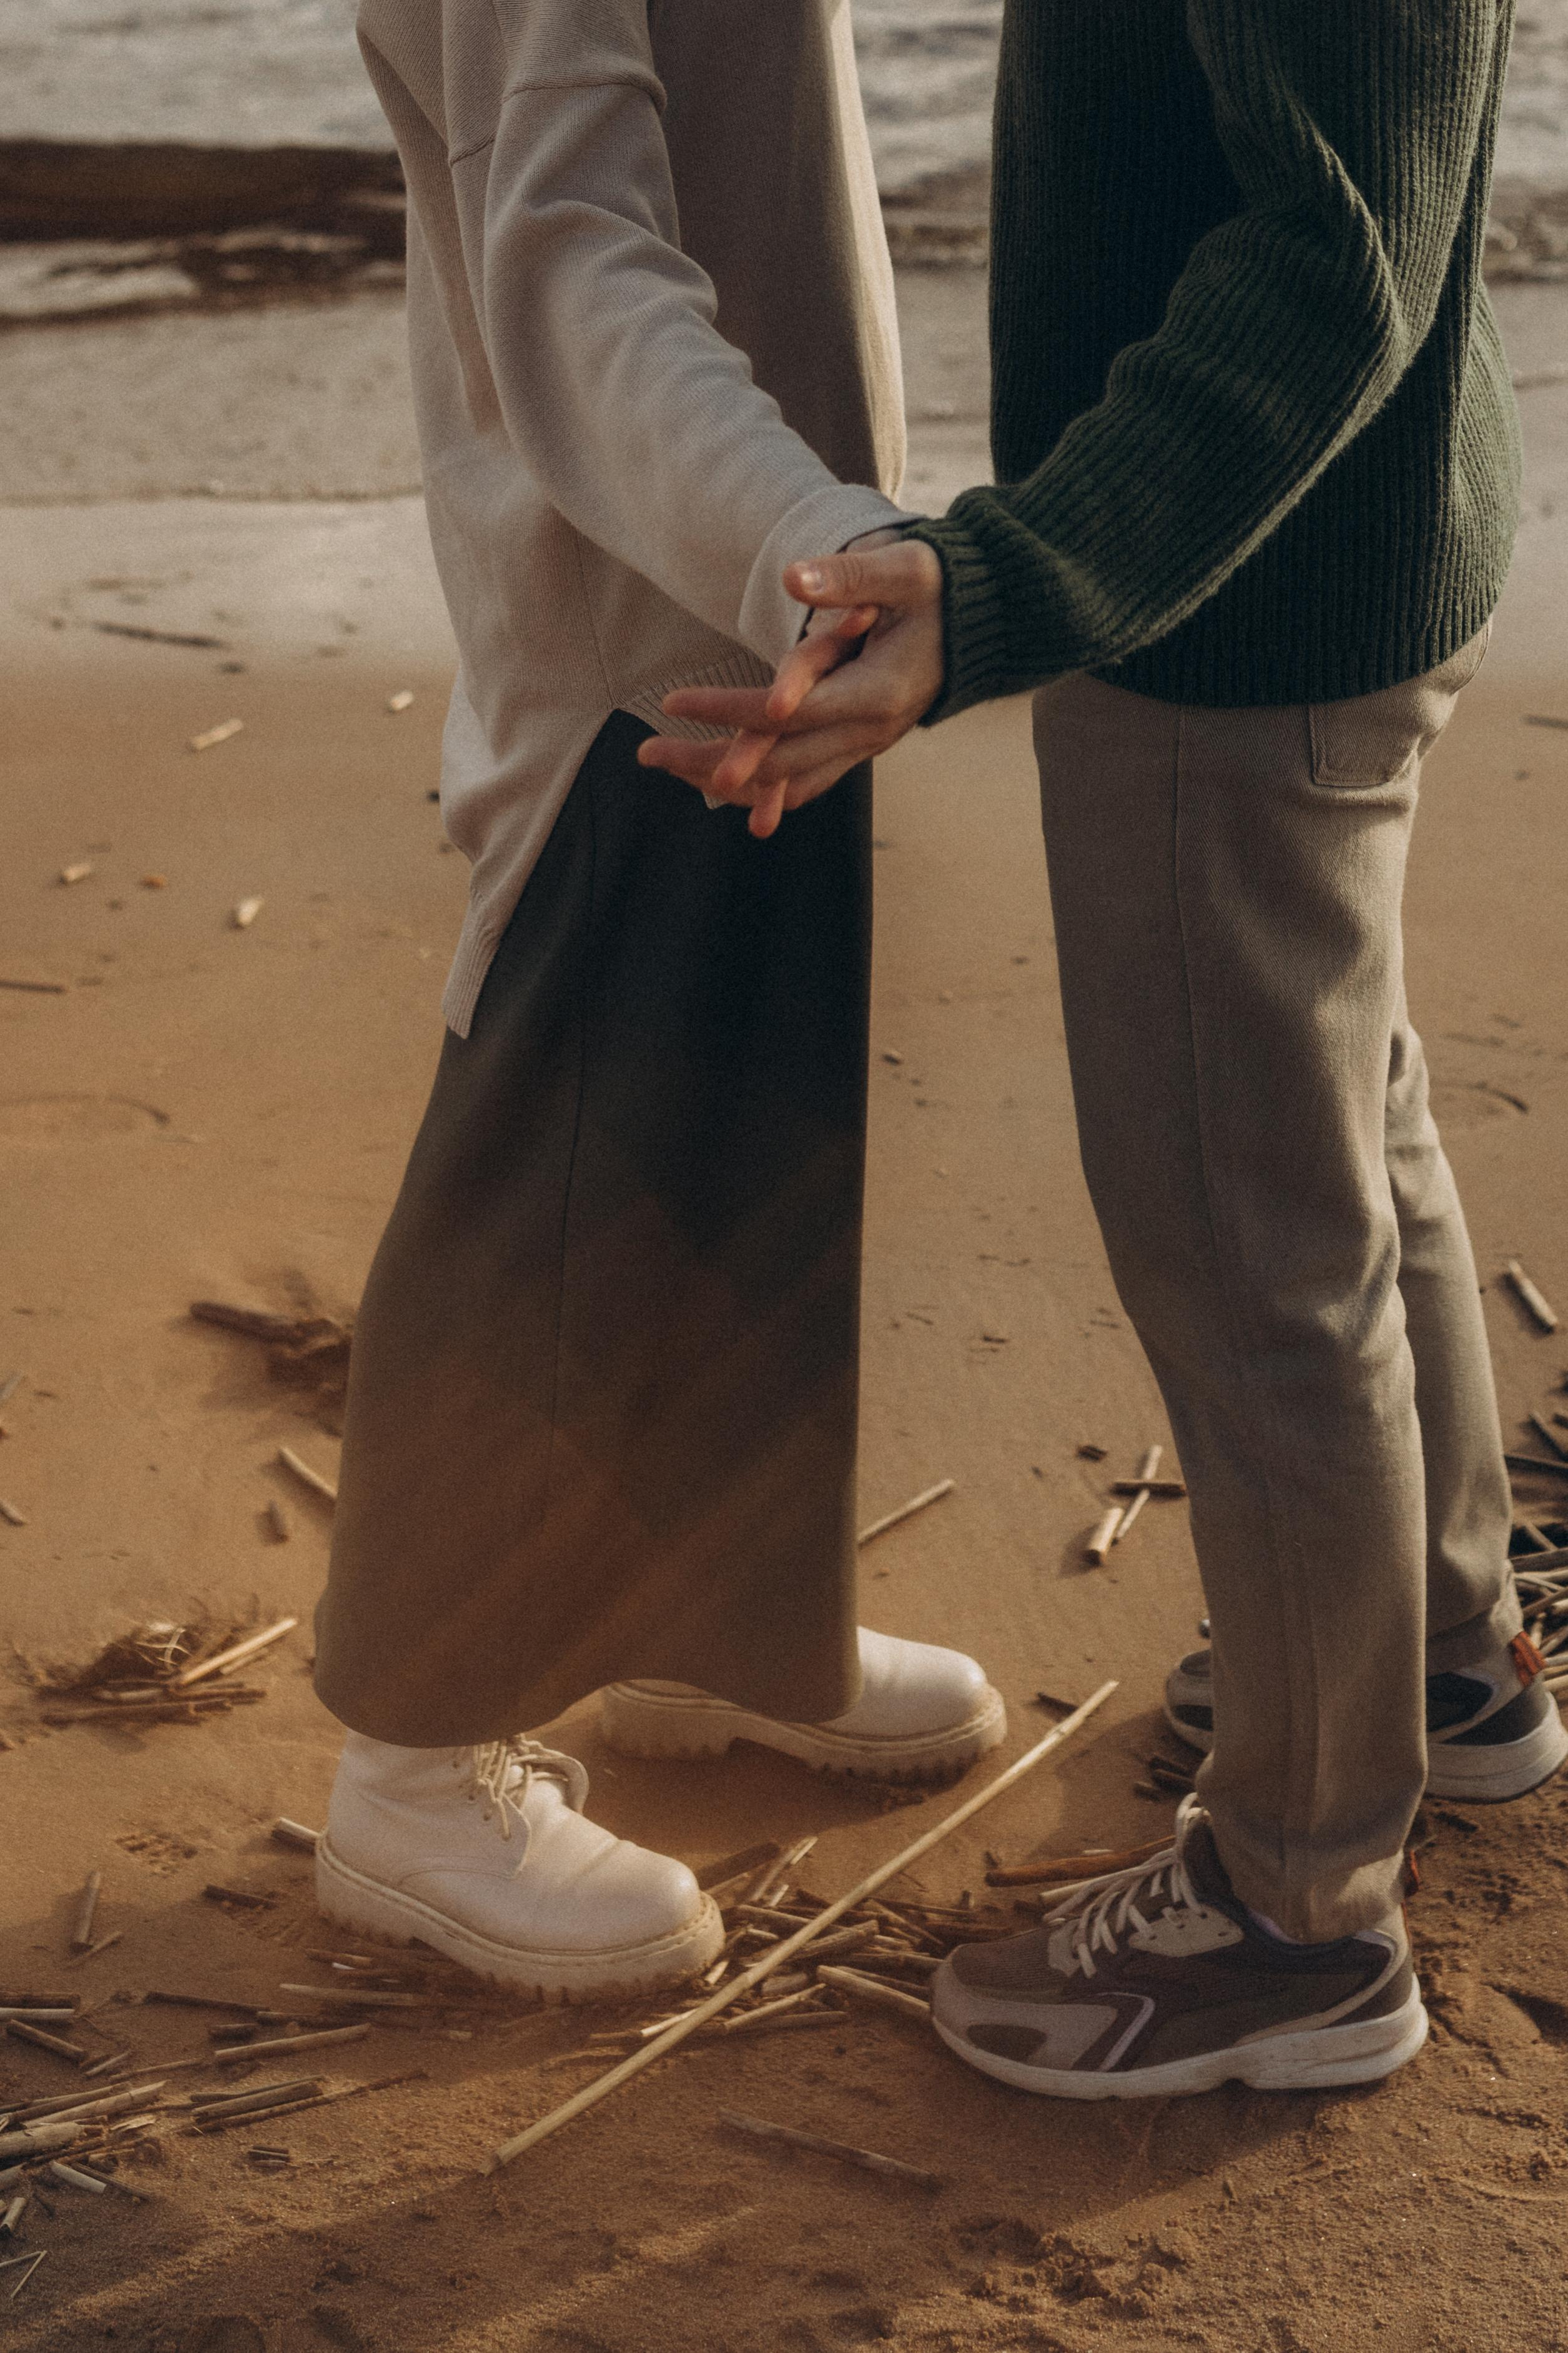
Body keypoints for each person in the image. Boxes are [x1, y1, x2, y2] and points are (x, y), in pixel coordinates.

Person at [641, 0, 1566, 2092]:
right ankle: (1440, 1664)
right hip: (1322, 547)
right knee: (1343, 1127)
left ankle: (1297, 1913)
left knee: (1250, 1240)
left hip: (1235, 613)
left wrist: (1012, 582)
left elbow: (1333, 254)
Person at [307, 0, 1012, 2003]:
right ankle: (413, 1768)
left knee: (727, 1114)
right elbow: (564, 249)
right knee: (553, 1130)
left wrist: (814, 533)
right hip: (645, 594)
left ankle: (713, 1614)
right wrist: (819, 538)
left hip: (749, 562)